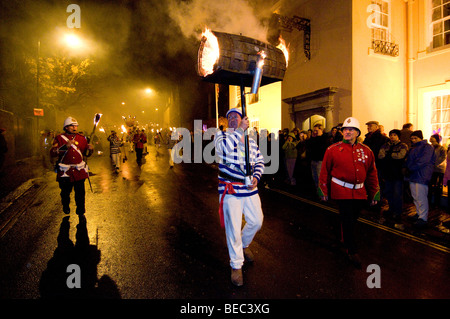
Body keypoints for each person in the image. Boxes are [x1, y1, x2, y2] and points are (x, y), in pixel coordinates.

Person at [318, 117, 380, 268]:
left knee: (352, 219)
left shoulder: (367, 151)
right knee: (347, 219)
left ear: (357, 133)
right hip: (341, 190)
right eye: (345, 129)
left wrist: (374, 193)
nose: (347, 132)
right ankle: (351, 250)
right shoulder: (332, 149)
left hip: (359, 192)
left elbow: (372, 173)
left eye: (351, 130)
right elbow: (324, 171)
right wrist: (323, 190)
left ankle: (344, 237)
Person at [214, 107, 265, 286]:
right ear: (227, 122)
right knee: (233, 228)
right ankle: (236, 265)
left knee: (257, 221)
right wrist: (240, 130)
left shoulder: (251, 141)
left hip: (250, 190)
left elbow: (259, 161)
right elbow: (224, 151)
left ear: (243, 119)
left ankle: (243, 245)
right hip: (231, 191)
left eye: (237, 117)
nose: (234, 119)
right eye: (231, 118)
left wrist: (257, 177)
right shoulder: (222, 137)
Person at [50, 117, 93, 217]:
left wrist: (90, 150)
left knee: (80, 193)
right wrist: (65, 147)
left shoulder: (81, 138)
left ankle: (81, 210)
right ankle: (65, 205)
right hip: (66, 171)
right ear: (66, 127)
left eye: (76, 126)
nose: (75, 127)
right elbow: (53, 153)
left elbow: (86, 154)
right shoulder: (59, 138)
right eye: (72, 126)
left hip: (79, 171)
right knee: (65, 192)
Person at [405, 130, 436, 228]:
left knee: (421, 197)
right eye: (412, 138)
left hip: (421, 175)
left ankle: (423, 218)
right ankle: (419, 214)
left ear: (420, 138)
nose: (413, 140)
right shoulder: (414, 147)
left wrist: (410, 167)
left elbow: (423, 161)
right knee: (415, 196)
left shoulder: (427, 147)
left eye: (415, 138)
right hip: (414, 174)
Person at [378, 129, 408, 223]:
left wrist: (389, 155)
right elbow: (380, 155)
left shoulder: (403, 145)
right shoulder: (385, 145)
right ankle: (391, 209)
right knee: (389, 192)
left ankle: (397, 211)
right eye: (391, 135)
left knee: (397, 193)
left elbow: (401, 156)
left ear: (398, 136)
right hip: (388, 173)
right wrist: (391, 155)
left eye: (394, 135)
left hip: (397, 173)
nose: (392, 137)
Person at [306, 123, 329, 190]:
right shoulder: (314, 138)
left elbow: (322, 146)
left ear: (321, 130)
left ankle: (322, 192)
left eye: (316, 130)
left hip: (320, 161)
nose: (315, 132)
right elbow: (309, 146)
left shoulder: (324, 137)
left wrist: (319, 136)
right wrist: (312, 137)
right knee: (315, 177)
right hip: (313, 159)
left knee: (320, 178)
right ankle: (318, 191)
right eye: (314, 130)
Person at [428, 133, 446, 208]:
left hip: (439, 170)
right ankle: (430, 202)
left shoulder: (442, 148)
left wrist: (434, 163)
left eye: (433, 139)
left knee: (438, 187)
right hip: (431, 169)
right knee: (430, 186)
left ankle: (436, 203)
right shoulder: (430, 148)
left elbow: (442, 158)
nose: (431, 141)